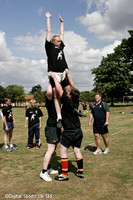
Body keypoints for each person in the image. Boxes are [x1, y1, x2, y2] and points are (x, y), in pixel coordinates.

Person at [51, 73, 84, 181]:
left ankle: (64, 175)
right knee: (77, 150)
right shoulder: (76, 100)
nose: (67, 91)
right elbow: (72, 87)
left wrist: (54, 77)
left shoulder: (67, 100)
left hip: (69, 131)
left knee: (63, 151)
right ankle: (80, 172)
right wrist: (68, 74)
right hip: (78, 130)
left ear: (69, 95)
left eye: (68, 92)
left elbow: (59, 89)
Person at [45, 11, 71, 128]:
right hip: (54, 74)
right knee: (56, 95)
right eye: (58, 40)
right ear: (53, 41)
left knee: (69, 92)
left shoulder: (61, 46)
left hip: (63, 72)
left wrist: (62, 23)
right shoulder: (49, 47)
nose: (61, 42)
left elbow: (62, 34)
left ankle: (71, 110)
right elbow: (48, 32)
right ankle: (59, 117)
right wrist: (48, 18)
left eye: (61, 41)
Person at [40, 94, 61, 182]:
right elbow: (49, 92)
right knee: (50, 149)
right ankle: (43, 172)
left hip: (57, 128)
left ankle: (48, 168)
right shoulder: (50, 101)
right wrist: (51, 81)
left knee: (54, 148)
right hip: (51, 127)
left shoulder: (59, 101)